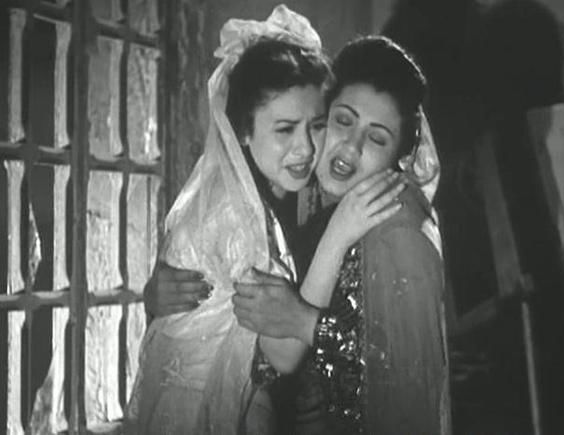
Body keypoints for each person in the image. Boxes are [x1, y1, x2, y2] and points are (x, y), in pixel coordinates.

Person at [124, 8, 404, 435]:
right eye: (285, 129)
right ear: (242, 131)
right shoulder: (235, 216)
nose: (305, 148)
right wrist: (339, 234)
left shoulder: (287, 187)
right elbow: (283, 355)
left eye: (316, 126)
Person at [232, 36, 450, 435]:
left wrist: (309, 325)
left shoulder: (399, 233)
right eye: (343, 121)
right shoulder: (308, 194)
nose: (351, 146)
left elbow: (408, 388)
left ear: (400, 156)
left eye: (377, 138)